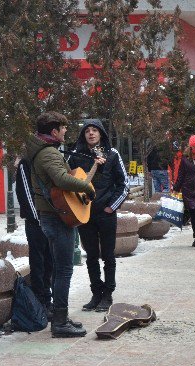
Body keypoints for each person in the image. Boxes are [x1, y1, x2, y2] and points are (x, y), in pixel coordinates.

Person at [26, 111, 103, 338]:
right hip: (56, 217)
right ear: (53, 131)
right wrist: (87, 188)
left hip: (54, 214)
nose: (66, 131)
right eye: (63, 128)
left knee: (60, 269)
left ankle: (61, 316)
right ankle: (59, 322)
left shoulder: (45, 150)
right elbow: (61, 179)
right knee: (63, 270)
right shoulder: (48, 153)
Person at [69, 119, 128, 313]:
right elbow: (67, 180)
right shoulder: (76, 156)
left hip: (106, 213)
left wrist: (112, 207)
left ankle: (108, 293)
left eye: (94, 130)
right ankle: (96, 292)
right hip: (84, 214)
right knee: (91, 256)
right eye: (87, 131)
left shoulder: (112, 154)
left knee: (108, 255)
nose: (91, 134)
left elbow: (123, 184)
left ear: (101, 133)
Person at [15, 155, 53, 317]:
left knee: (49, 262)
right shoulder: (26, 163)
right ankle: (40, 302)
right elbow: (24, 192)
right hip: (36, 222)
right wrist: (39, 219)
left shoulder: (47, 158)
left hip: (49, 220)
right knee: (38, 263)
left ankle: (47, 300)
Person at [173, 135, 195, 250]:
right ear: (191, 148)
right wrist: (176, 188)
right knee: (193, 214)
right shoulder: (185, 160)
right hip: (189, 192)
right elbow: (181, 176)